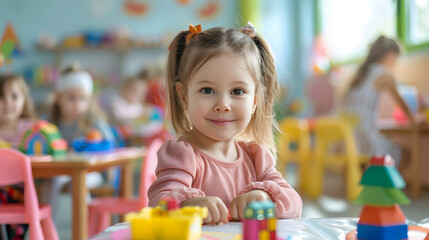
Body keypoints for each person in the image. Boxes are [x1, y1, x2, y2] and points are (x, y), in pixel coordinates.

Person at [148, 23, 302, 224]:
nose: (223, 105)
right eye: (207, 90)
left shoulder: (257, 157)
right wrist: (190, 203)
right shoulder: (181, 154)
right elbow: (159, 203)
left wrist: (264, 196)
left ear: (254, 101)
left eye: (237, 92)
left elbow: (294, 204)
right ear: (184, 95)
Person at [42, 63, 115, 220]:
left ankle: (85, 231)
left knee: (78, 182)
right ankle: (46, 228)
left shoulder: (94, 123)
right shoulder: (50, 124)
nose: (77, 104)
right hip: (62, 173)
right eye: (71, 98)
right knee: (51, 181)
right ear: (57, 97)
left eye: (82, 99)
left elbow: (110, 145)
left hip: (92, 174)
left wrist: (89, 147)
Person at [340, 36, 413, 163]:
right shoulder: (383, 73)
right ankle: (384, 183)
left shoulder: (360, 74)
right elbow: (402, 104)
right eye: (396, 58)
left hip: (348, 137)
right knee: (406, 155)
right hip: (366, 137)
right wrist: (414, 120)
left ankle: (371, 180)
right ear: (390, 55)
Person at [0, 73, 36, 239]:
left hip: (25, 193)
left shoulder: (32, 130)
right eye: (1, 97)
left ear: (24, 100)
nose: (7, 103)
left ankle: (15, 233)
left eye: (14, 96)